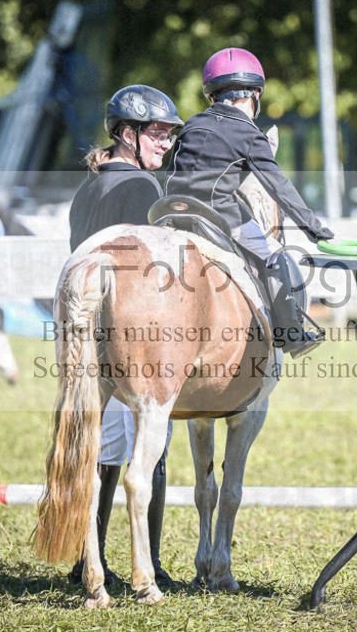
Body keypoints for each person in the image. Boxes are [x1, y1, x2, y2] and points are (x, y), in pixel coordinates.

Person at [66, 84, 183, 590]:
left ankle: (85, 560)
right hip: (128, 336)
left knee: (100, 451)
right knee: (146, 448)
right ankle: (148, 565)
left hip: (86, 333)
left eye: (169, 134)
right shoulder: (143, 190)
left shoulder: (85, 189)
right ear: (127, 134)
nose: (166, 143)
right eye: (157, 133)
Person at [166, 47, 334, 356]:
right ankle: (291, 334)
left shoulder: (191, 125)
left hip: (169, 213)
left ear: (212, 95)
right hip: (217, 217)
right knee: (276, 256)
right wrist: (315, 229)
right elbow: (279, 187)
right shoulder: (249, 133)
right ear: (254, 95)